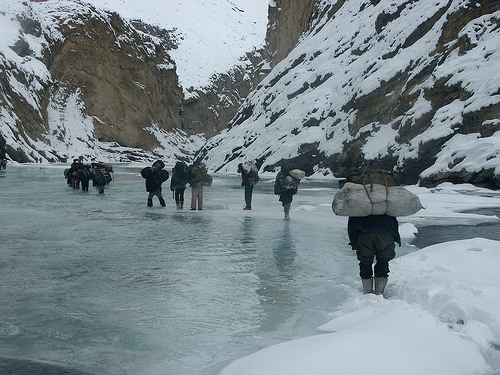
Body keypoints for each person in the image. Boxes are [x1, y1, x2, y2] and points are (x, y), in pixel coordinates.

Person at [345, 170, 401, 296]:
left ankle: (367, 291)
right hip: (386, 230)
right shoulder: (387, 195)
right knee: (383, 261)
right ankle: (379, 292)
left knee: (365, 261)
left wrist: (353, 240)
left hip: (364, 230)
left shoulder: (360, 196)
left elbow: (352, 221)